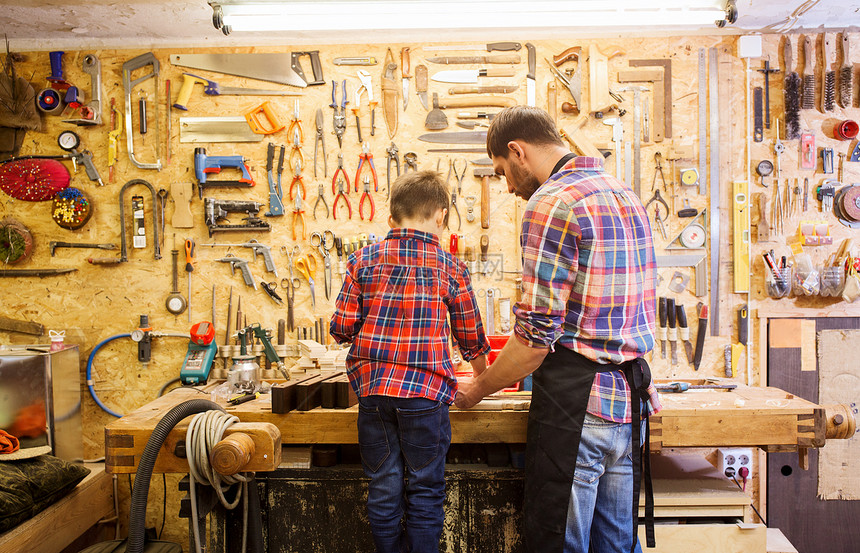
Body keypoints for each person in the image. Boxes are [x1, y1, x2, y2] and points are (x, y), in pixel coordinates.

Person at [455, 106, 662, 553]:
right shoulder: (623, 193)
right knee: (617, 546)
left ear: (517, 151)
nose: (507, 186)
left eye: (501, 171)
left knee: (559, 545)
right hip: (628, 404)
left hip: (579, 409)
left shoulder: (550, 203)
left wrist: (475, 391)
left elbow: (533, 341)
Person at [331, 170, 491, 553]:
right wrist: (482, 382)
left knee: (383, 486)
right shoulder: (450, 266)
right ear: (441, 215)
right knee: (425, 488)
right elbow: (471, 337)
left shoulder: (362, 260)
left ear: (390, 218)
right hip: (425, 396)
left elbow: (340, 328)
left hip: (374, 394)